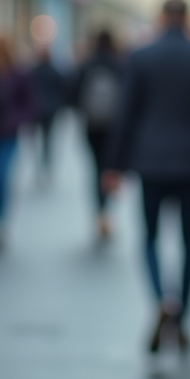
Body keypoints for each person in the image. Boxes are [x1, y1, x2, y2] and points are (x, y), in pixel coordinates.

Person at [104, 0, 190, 353]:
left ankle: (162, 298)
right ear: (187, 18)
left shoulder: (141, 58)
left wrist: (113, 166)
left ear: (161, 18)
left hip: (150, 162)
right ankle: (183, 317)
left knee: (150, 237)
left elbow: (125, 114)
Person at [0, 34, 39, 251]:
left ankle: (1, 221)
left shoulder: (19, 73)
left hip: (9, 134)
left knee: (2, 175)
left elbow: (31, 104)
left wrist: (17, 120)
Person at [73, 29, 124, 241]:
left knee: (96, 169)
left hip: (92, 125)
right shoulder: (119, 64)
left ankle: (99, 211)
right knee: (110, 168)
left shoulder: (87, 64)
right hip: (114, 127)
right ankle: (107, 212)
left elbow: (73, 92)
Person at [30, 44, 67, 185]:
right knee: (48, 140)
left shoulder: (34, 71)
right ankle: (46, 167)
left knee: (38, 140)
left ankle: (40, 167)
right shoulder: (55, 71)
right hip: (51, 110)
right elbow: (62, 90)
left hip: (37, 110)